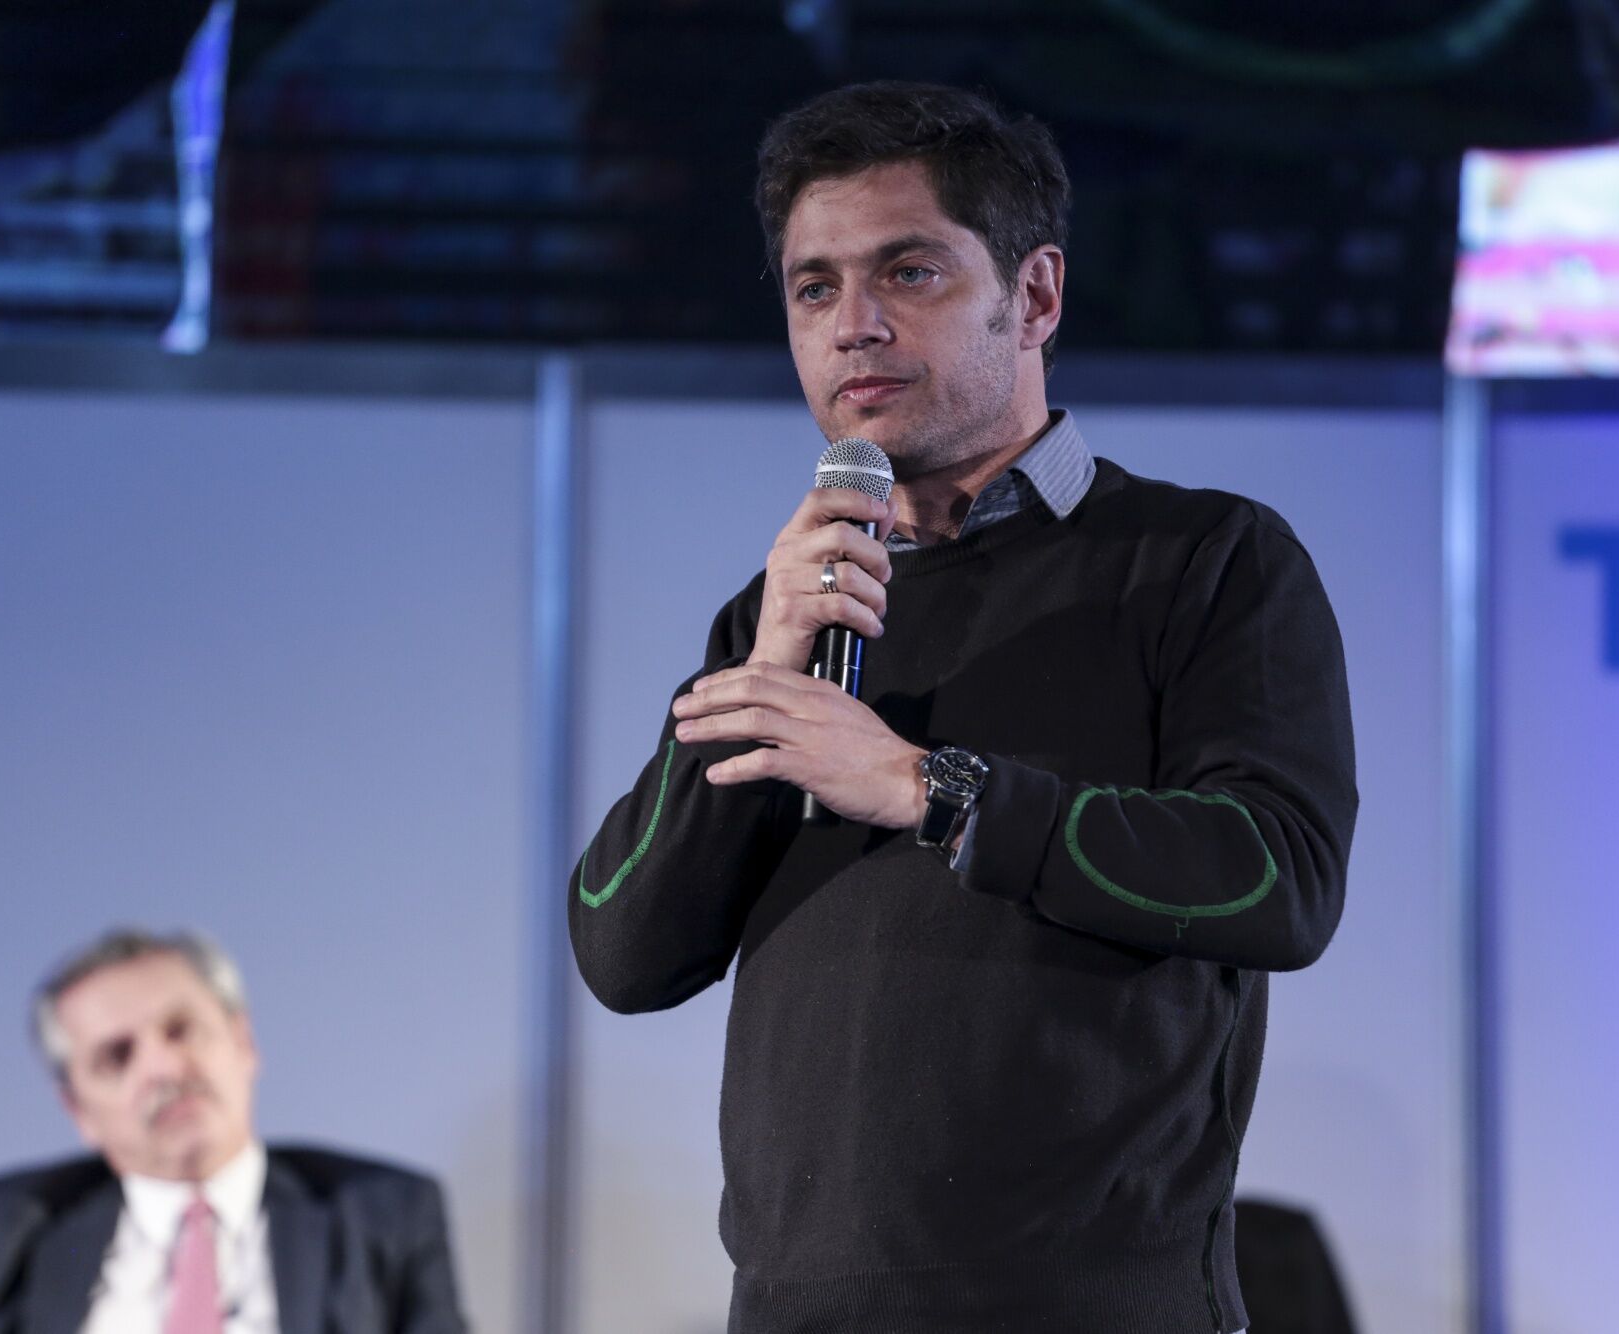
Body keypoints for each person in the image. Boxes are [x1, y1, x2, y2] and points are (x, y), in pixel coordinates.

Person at [569, 80, 1358, 1334]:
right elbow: (621, 948)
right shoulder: (786, 608)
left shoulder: (1203, 559)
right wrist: (760, 670)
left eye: (910, 273)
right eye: (812, 287)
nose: (852, 326)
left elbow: (1277, 877)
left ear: (1033, 295)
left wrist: (931, 788)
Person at [0, 929, 466, 1334]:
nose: (163, 1068)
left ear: (243, 1043)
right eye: (117, 1057)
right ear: (79, 1112)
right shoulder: (1, 1231)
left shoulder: (382, 1212)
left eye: (181, 1029)